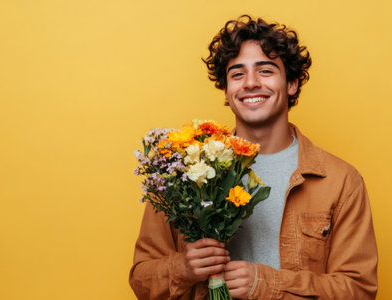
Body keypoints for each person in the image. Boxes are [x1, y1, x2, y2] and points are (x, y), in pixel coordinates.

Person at [129, 15, 378, 299]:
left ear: (292, 84)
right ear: (226, 89)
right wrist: (182, 268)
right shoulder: (185, 171)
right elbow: (141, 279)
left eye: (265, 71)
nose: (250, 83)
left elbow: (358, 290)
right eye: (237, 74)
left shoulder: (341, 181)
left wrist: (266, 284)